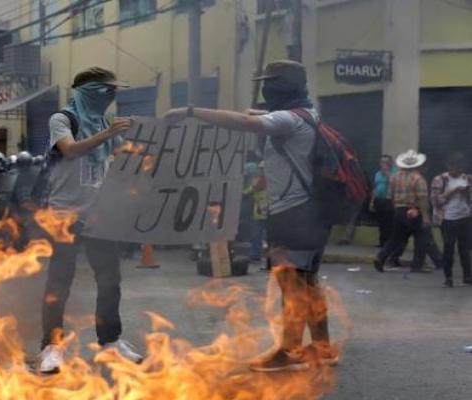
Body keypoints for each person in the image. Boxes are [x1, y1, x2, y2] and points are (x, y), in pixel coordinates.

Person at [166, 60, 337, 372]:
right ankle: (322, 347)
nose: (265, 89)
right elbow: (258, 118)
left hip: (292, 214)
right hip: (312, 213)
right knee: (309, 282)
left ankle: (289, 350)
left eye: (270, 83)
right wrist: (255, 114)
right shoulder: (308, 114)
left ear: (283, 86)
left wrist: (190, 112)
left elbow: (247, 123)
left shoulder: (287, 119)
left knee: (291, 286)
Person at [37, 67, 141, 374]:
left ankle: (110, 341)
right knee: (60, 281)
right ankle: (51, 346)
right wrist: (108, 134)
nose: (111, 97)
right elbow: (69, 150)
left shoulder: (107, 124)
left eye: (114, 92)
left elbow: (125, 158)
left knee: (110, 281)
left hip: (99, 215)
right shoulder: (63, 119)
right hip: (64, 214)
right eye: (106, 92)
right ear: (88, 93)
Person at [374, 150, 440, 274]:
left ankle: (380, 257)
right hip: (415, 211)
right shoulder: (418, 178)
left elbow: (390, 196)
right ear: (417, 165)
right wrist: (425, 217)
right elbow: (422, 199)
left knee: (395, 238)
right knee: (421, 238)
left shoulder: (395, 177)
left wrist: (397, 209)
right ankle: (417, 265)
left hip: (399, 210)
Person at [430, 153, 472, 287]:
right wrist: (453, 191)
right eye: (454, 167)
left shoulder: (467, 178)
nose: (458, 170)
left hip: (464, 217)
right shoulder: (440, 180)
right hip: (448, 218)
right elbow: (436, 201)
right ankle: (448, 277)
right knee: (448, 247)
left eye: (460, 167)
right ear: (449, 166)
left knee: (464, 248)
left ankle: (468, 276)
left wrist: (467, 193)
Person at [371, 155, 397, 248]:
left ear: (390, 163)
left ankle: (388, 244)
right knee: (381, 222)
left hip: (389, 200)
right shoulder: (377, 174)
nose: (384, 164)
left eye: (386, 162)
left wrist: (387, 173)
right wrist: (372, 201)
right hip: (378, 200)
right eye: (382, 162)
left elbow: (394, 183)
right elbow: (375, 188)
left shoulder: (394, 172)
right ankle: (382, 242)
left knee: (388, 223)